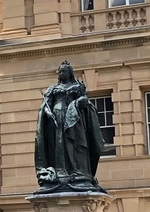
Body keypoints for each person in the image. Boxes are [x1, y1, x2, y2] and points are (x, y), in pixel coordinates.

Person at [34, 60, 105, 192]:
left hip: (74, 121)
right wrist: (48, 113)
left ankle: (76, 171)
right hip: (55, 120)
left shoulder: (77, 87)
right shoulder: (53, 89)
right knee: (58, 146)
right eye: (60, 71)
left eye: (64, 71)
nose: (61, 73)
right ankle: (61, 173)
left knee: (74, 145)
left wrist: (79, 102)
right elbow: (46, 105)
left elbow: (85, 102)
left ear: (69, 73)